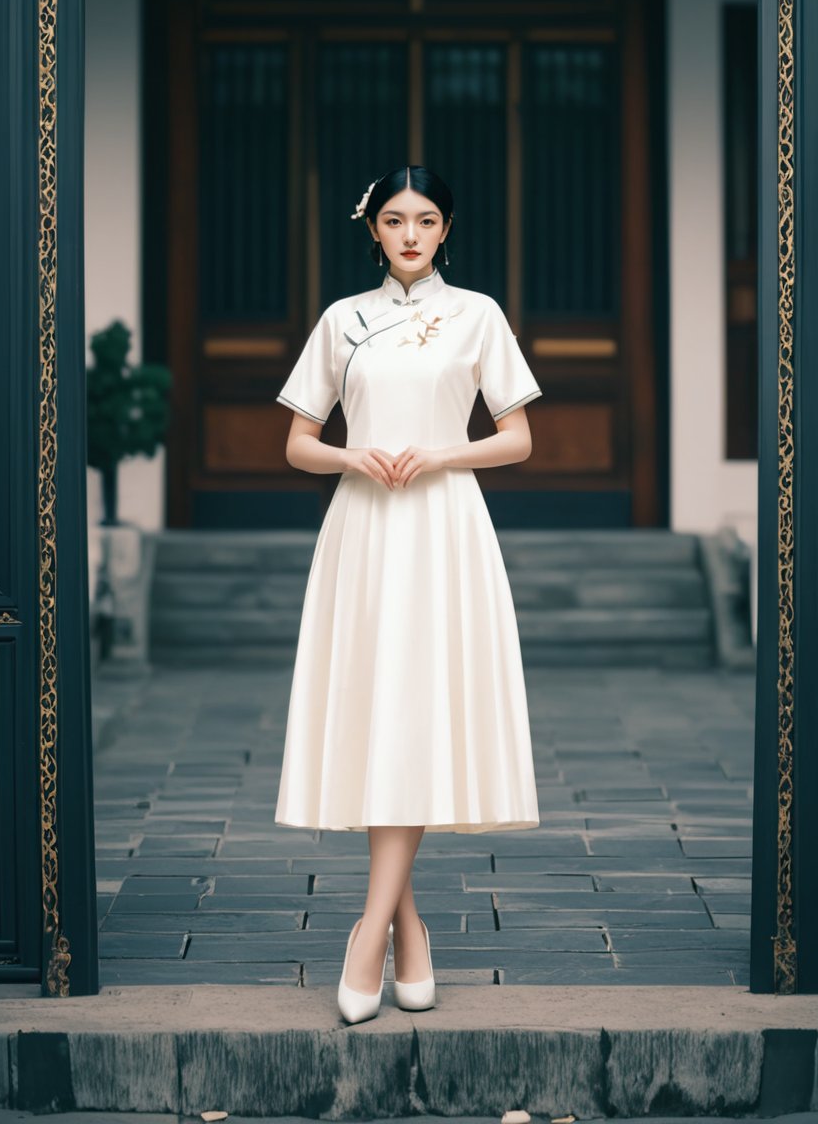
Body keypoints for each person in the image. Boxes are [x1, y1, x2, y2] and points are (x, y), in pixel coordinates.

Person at [274, 164, 542, 1022]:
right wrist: (357, 457)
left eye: (426, 219)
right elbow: (298, 444)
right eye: (396, 220)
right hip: (362, 524)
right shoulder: (340, 322)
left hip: (444, 524)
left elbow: (518, 438)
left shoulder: (478, 317)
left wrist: (437, 454)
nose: (412, 234)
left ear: (447, 229)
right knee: (375, 710)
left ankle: (366, 930)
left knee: (419, 710)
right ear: (373, 231)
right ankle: (408, 928)